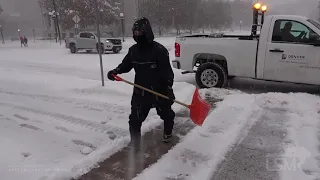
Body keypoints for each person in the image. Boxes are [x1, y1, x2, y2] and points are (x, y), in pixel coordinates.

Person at [107, 17, 176, 149]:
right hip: (141, 92)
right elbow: (126, 65)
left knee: (166, 114)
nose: (137, 35)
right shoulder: (133, 50)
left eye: (140, 32)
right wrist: (115, 71)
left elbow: (167, 72)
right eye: (135, 32)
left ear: (147, 32)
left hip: (159, 90)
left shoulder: (159, 50)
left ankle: (167, 133)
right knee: (134, 119)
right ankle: (135, 143)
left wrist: (168, 87)